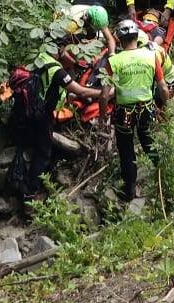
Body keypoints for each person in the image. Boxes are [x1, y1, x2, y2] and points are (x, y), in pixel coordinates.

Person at [20, 31, 110, 198]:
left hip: (27, 110)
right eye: (62, 49)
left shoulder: (37, 58)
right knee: (43, 152)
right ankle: (31, 192)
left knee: (35, 147)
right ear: (58, 48)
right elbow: (81, 91)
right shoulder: (56, 69)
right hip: (42, 115)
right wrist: (106, 93)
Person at [106, 17, 165, 201]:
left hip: (124, 113)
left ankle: (130, 190)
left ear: (119, 39)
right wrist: (166, 108)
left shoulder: (114, 61)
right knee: (149, 142)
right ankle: (163, 178)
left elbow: (105, 93)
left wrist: (102, 116)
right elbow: (162, 87)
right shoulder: (150, 56)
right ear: (136, 36)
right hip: (146, 109)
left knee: (126, 150)